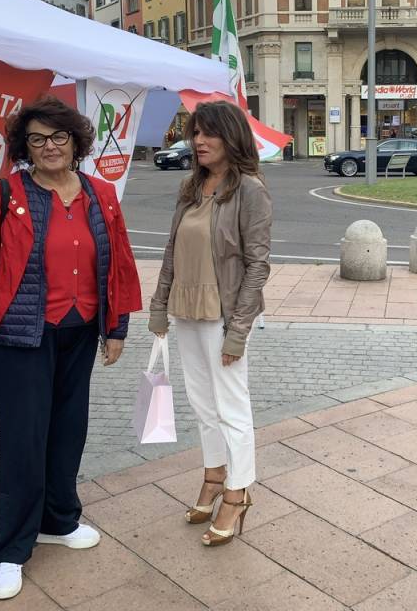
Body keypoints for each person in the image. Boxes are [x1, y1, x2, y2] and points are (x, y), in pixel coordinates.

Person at [0, 96, 141, 600]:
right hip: (21, 336)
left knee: (67, 431)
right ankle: (11, 548)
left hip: (79, 330)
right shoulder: (3, 194)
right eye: (37, 139)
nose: (49, 147)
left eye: (58, 137)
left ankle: (58, 519)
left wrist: (116, 325)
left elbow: (117, 261)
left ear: (76, 142)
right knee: (23, 441)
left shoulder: (99, 193)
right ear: (24, 146)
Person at [148, 100, 272, 547]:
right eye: (194, 132)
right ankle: (215, 474)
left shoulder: (249, 190)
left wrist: (238, 331)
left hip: (225, 315)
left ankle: (238, 491)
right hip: (186, 309)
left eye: (208, 133)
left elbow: (258, 265)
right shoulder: (191, 186)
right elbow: (171, 250)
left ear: (231, 136)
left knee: (231, 407)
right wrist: (159, 305)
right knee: (202, 405)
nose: (198, 141)